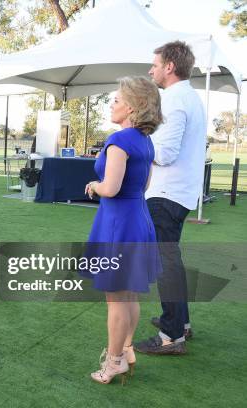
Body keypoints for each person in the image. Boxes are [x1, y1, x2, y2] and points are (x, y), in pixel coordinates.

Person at [83, 76, 163, 384]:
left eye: (116, 100)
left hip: (118, 225)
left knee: (116, 298)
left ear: (132, 107)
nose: (112, 104)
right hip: (138, 219)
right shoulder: (145, 141)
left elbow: (111, 188)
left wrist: (95, 185)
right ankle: (126, 350)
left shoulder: (118, 141)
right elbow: (143, 185)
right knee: (128, 295)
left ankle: (114, 361)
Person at [134, 41, 206, 356]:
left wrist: (137, 139)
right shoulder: (187, 96)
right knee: (170, 260)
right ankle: (179, 323)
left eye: (155, 64)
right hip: (177, 192)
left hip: (167, 194)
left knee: (166, 263)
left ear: (169, 67)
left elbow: (165, 153)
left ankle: (170, 336)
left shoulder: (175, 100)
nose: (151, 70)